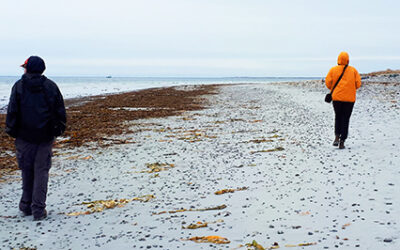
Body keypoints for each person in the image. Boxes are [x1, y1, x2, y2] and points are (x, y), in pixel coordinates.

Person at [5, 56, 66, 220]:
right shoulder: (51, 86)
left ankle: (27, 207)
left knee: (27, 171)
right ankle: (37, 209)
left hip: (25, 137)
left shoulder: (19, 86)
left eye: (24, 67)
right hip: (44, 137)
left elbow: (12, 111)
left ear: (28, 69)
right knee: (41, 172)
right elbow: (60, 110)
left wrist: (11, 130)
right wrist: (58, 130)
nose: (23, 70)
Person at [325, 52, 361, 149]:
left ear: (338, 60)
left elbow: (328, 83)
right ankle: (342, 141)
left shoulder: (333, 70)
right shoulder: (353, 70)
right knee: (346, 119)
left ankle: (337, 136)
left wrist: (334, 88)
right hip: (349, 99)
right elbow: (358, 84)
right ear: (348, 60)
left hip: (337, 98)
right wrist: (350, 88)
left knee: (338, 117)